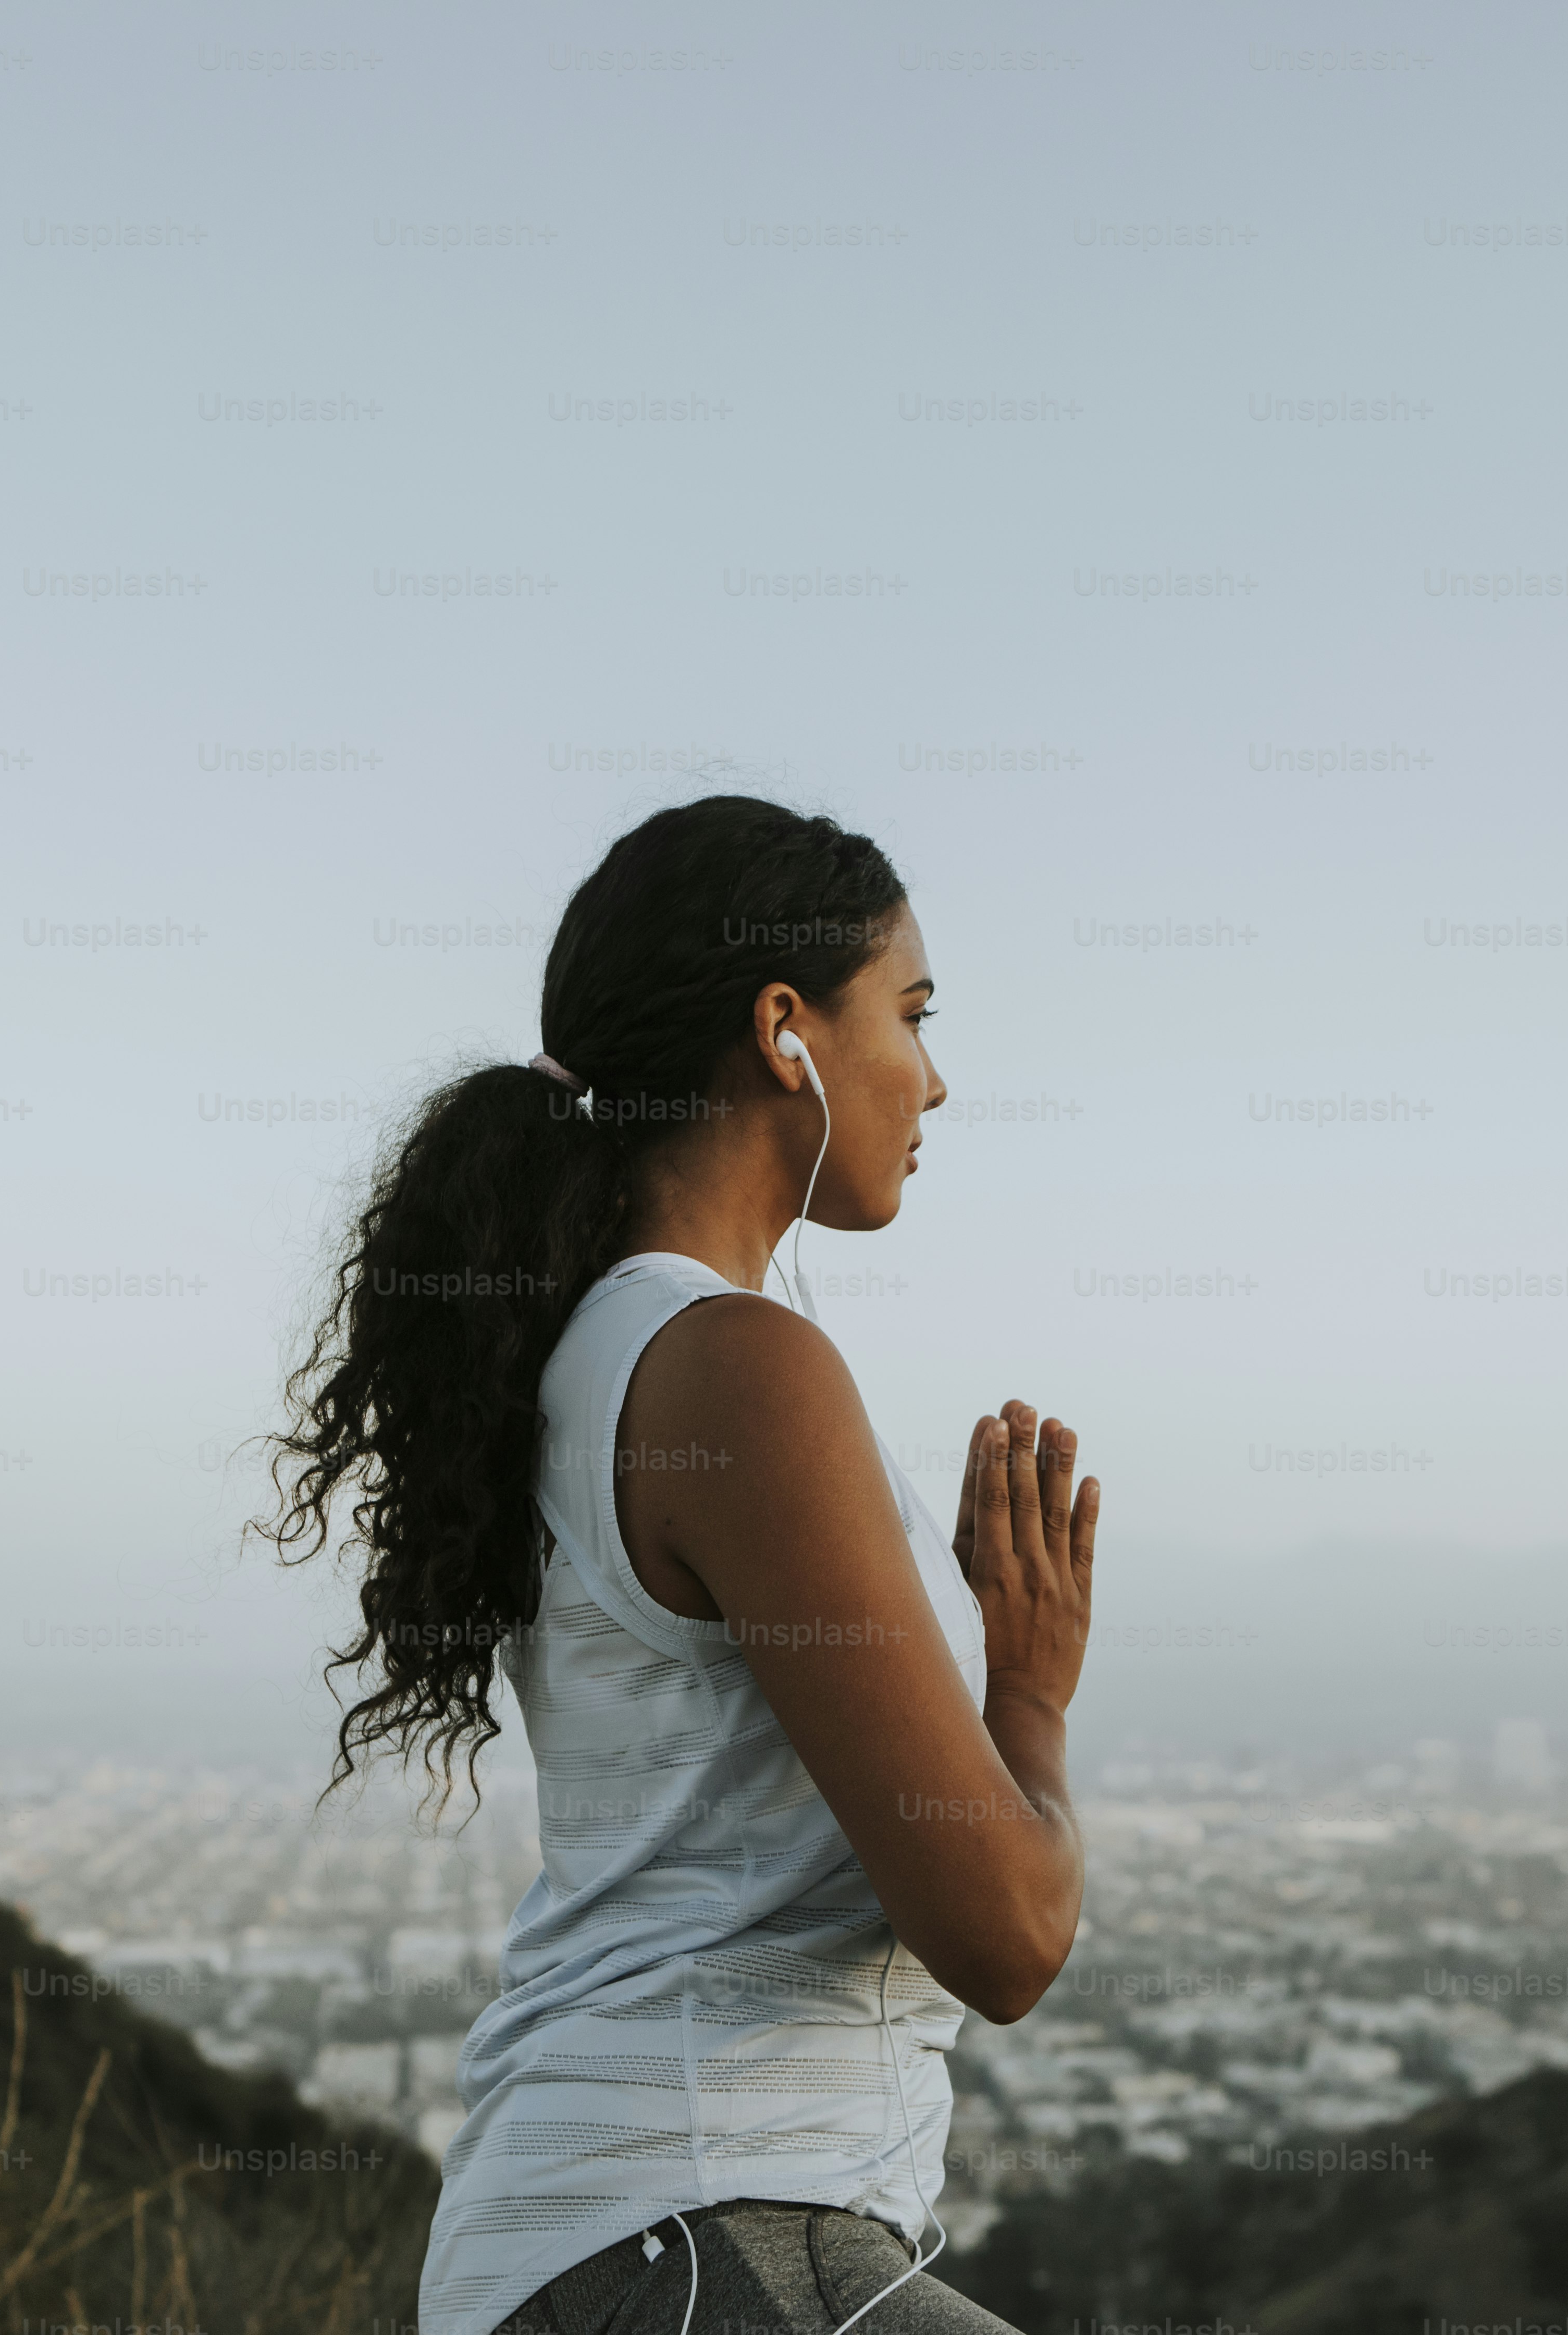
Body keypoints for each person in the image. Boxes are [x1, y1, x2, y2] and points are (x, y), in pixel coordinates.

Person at [263, 795, 1103, 2335]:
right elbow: (1008, 1934)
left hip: (633, 2248)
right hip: (700, 2234)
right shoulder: (736, 1370)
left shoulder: (600, 1349)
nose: (936, 1079)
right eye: (909, 1017)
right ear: (787, 1031)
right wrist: (1032, 1689)